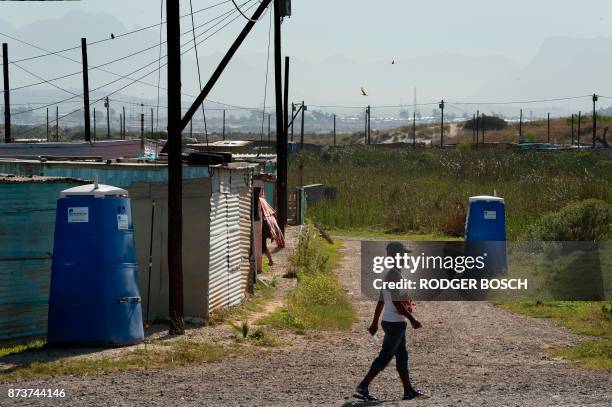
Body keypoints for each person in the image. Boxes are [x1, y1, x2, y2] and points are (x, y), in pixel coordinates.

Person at [355, 242, 423, 402]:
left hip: (393, 321)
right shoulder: (394, 275)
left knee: (402, 356)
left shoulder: (392, 274)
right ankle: (363, 386)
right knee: (385, 356)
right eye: (404, 254)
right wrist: (412, 319)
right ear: (396, 256)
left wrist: (374, 323)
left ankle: (408, 391)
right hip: (395, 323)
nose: (406, 258)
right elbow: (397, 303)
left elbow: (381, 301)